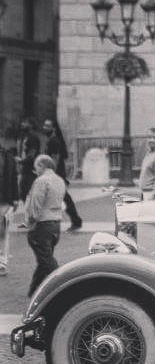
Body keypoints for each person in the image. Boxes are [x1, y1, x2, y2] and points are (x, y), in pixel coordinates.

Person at [25, 155, 66, 297]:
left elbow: (35, 203)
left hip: (42, 224)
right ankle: (34, 290)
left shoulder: (41, 181)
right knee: (44, 258)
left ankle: (63, 285)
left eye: (36, 167)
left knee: (47, 260)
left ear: (42, 165)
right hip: (56, 224)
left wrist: (30, 221)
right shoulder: (60, 180)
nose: (35, 170)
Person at [42, 117, 84, 231]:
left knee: (64, 198)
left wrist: (51, 174)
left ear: (54, 128)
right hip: (57, 174)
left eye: (47, 126)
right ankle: (75, 220)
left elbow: (55, 159)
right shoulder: (51, 141)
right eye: (44, 125)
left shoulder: (54, 141)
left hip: (57, 174)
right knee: (63, 198)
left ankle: (76, 220)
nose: (44, 128)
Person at [0, 144, 19, 275]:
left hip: (6, 201)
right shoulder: (8, 157)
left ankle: (2, 263)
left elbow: (14, 177)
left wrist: (16, 198)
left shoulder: (9, 157)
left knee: (4, 232)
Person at [15, 117, 41, 202]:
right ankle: (31, 213)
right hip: (25, 169)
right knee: (23, 194)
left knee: (27, 194)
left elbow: (32, 154)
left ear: (31, 125)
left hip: (31, 170)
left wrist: (21, 161)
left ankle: (33, 213)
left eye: (25, 122)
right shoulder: (25, 136)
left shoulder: (33, 136)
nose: (22, 124)